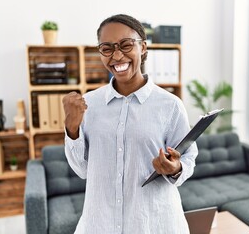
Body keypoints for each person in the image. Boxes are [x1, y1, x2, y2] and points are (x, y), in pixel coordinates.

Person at [63, 14, 198, 234]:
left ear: (143, 47)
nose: (117, 55)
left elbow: (188, 158)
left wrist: (175, 168)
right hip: (100, 224)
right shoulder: (88, 105)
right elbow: (82, 170)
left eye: (126, 45)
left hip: (153, 224)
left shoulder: (170, 105)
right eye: (107, 48)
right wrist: (72, 128)